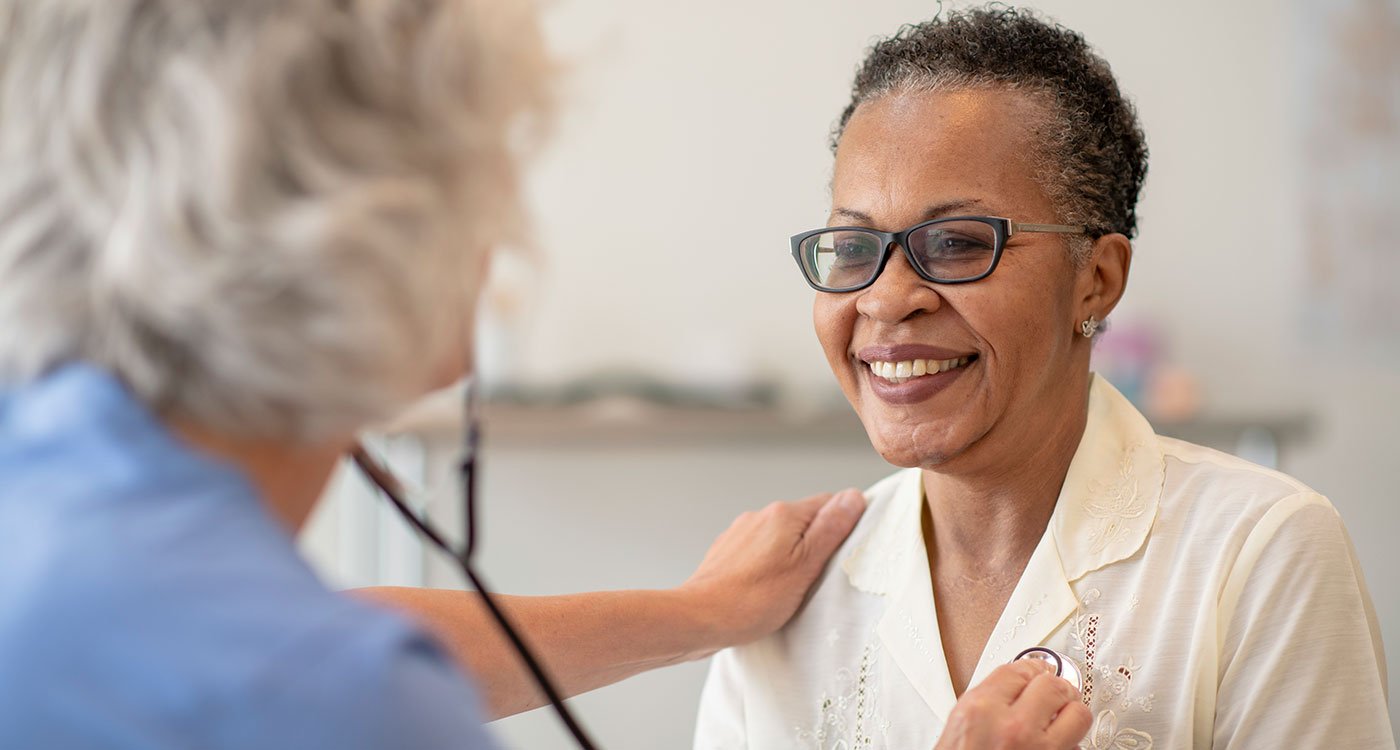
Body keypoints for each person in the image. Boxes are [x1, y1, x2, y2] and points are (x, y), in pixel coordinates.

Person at [0, 1, 871, 747]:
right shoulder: (333, 699)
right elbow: (314, 672)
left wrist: (697, 614)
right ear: (373, 225)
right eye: (489, 165)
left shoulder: (49, 491)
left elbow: (291, 635)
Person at [694, 7, 1394, 750]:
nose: (888, 297)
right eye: (853, 245)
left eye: (958, 242)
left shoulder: (1257, 551)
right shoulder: (781, 596)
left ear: (1096, 280)